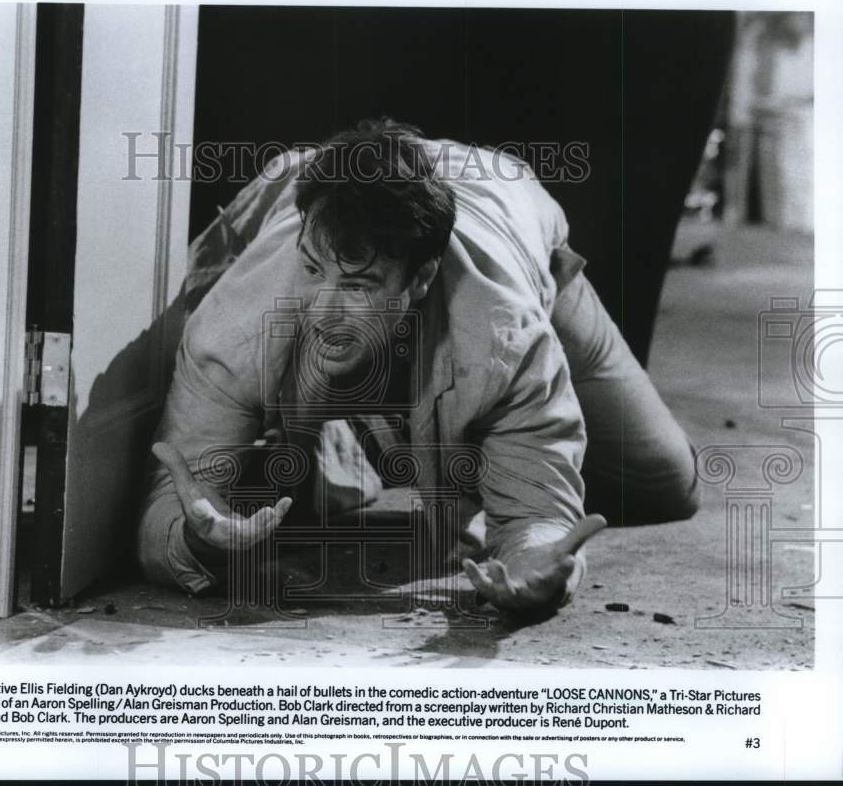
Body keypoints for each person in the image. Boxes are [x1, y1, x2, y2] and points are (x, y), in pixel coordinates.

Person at [137, 119, 700, 616]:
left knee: (667, 485)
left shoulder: (503, 332)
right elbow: (169, 506)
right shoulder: (236, 327)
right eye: (312, 271)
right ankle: (333, 441)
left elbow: (535, 513)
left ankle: (346, 441)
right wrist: (199, 538)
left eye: (358, 286)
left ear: (423, 277)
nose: (322, 311)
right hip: (295, 186)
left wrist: (535, 562)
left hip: (502, 203)